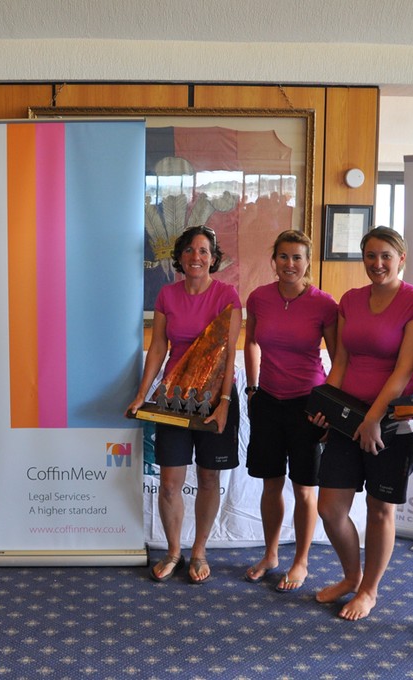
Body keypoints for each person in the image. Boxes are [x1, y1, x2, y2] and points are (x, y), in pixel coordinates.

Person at [311, 226, 413, 620]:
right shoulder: (350, 299)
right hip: (350, 418)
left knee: (381, 510)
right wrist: (326, 407)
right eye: (370, 255)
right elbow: (341, 363)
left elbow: (402, 372)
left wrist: (373, 419)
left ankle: (369, 590)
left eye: (386, 255)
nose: (377, 263)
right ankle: (351, 576)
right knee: (330, 508)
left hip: (394, 420)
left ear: (401, 259)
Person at [128, 225, 242, 584]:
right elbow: (159, 348)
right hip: (174, 399)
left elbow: (229, 355)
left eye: (204, 251)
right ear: (179, 256)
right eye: (190, 250)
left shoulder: (227, 295)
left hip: (214, 400)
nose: (197, 257)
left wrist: (223, 403)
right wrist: (142, 393)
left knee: (209, 479)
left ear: (214, 258)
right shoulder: (167, 295)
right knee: (169, 482)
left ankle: (199, 551)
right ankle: (174, 551)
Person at [242, 230, 337, 591]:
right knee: (270, 485)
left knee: (304, 489)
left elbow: (339, 358)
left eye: (297, 258)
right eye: (284, 257)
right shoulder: (259, 298)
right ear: (274, 259)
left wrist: (328, 408)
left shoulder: (324, 304)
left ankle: (301, 561)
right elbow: (250, 341)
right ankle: (270, 554)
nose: (290, 264)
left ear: (308, 261)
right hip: (267, 399)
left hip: (307, 405)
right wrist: (252, 388)